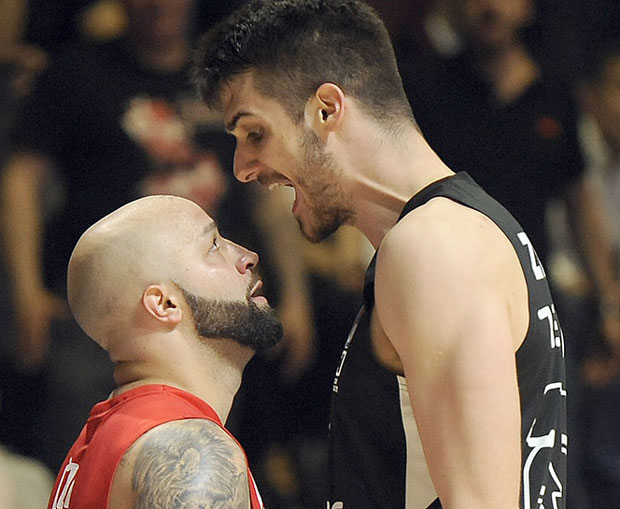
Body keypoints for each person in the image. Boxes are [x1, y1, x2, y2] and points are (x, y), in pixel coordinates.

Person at [193, 1, 568, 507]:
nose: (242, 167)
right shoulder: (449, 232)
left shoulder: (434, 247)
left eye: (255, 133)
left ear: (326, 109)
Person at [47, 194, 282, 508]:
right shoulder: (191, 452)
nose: (248, 256)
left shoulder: (110, 435)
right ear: (164, 304)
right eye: (213, 245)